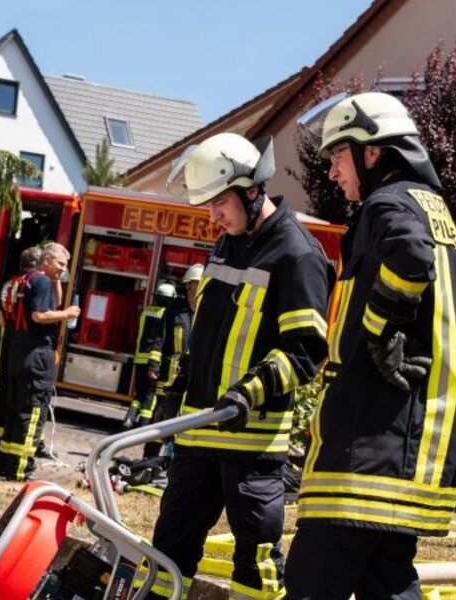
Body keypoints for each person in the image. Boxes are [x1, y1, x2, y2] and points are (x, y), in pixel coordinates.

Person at [285, 92, 456, 600]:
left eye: (338, 157)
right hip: (410, 446)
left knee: (313, 579)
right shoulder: (438, 215)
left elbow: (409, 257)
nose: (334, 174)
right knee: (387, 580)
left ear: (371, 153)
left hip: (370, 444)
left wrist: (380, 332)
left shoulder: (389, 203)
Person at [137, 132, 334, 600]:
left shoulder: (297, 253)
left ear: (251, 190)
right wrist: (176, 388)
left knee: (257, 562)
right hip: (197, 435)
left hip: (252, 442)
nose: (213, 216)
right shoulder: (227, 244)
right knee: (168, 550)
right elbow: (210, 333)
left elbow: (305, 350)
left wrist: (247, 393)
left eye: (219, 203)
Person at [0, 242, 80, 481]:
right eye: (60, 264)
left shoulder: (27, 279)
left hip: (19, 352)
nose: (63, 269)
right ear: (47, 260)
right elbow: (40, 314)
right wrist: (67, 314)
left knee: (14, 411)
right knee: (31, 413)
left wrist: (57, 280)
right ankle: (21, 468)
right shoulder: (41, 281)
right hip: (36, 355)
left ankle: (6, 464)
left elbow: (52, 302)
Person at [0, 246, 41, 463]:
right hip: (17, 341)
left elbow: (2, 316)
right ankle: (1, 451)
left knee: (3, 398)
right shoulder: (30, 284)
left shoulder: (11, 283)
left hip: (7, 340)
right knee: (11, 399)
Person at [143, 263, 204, 458]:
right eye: (197, 283)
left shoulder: (206, 311)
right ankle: (149, 459)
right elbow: (160, 338)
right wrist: (154, 364)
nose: (200, 286)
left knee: (186, 420)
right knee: (161, 416)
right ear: (188, 285)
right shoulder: (174, 309)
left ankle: (173, 463)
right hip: (170, 374)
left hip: (194, 374)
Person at [122, 282, 177, 430]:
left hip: (139, 359)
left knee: (139, 393)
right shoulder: (166, 316)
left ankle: (130, 417)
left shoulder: (145, 311)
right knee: (149, 395)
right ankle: (143, 426)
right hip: (154, 360)